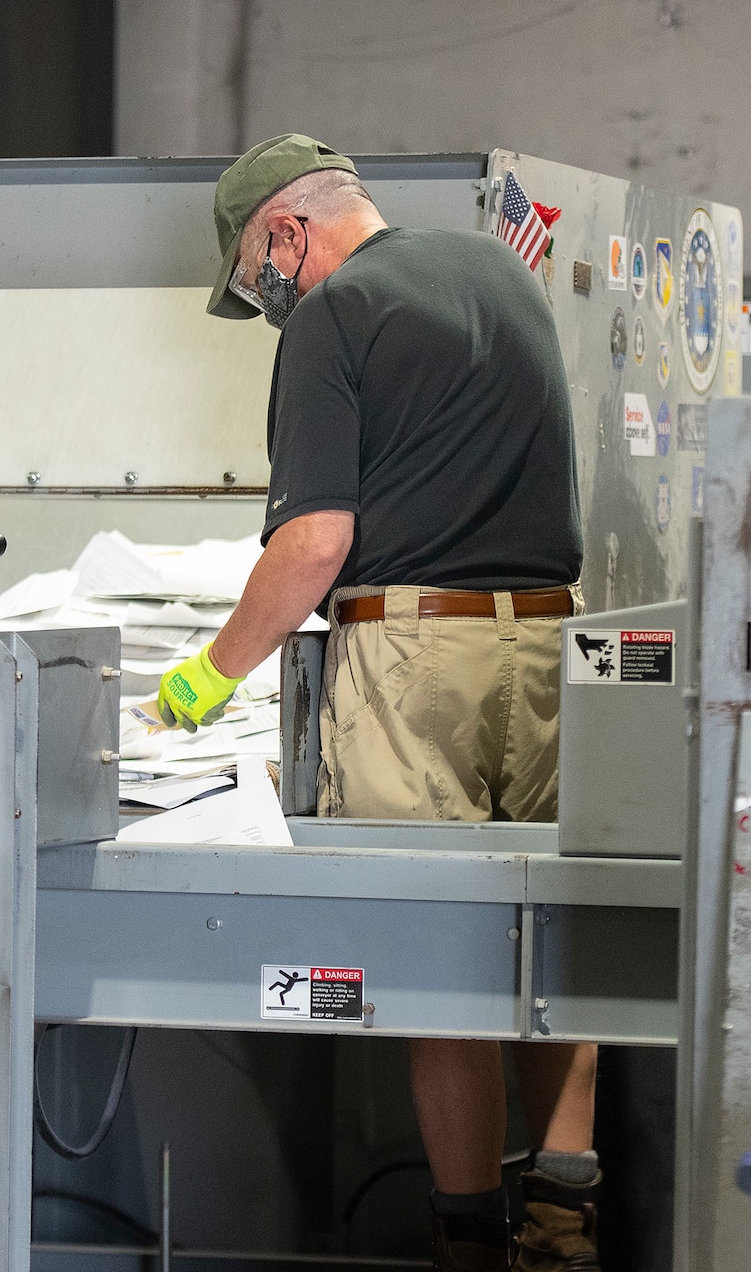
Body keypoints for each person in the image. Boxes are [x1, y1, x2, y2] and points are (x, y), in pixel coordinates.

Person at [153, 134, 600, 1272]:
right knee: (553, 951)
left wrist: (208, 674)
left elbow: (314, 544)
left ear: (286, 232)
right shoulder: (503, 277)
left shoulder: (333, 316)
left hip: (415, 662)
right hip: (552, 645)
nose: (263, 297)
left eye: (255, 272)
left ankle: (466, 1245)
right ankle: (563, 1229)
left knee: (434, 957)